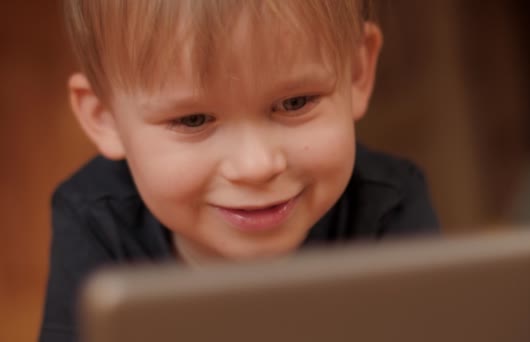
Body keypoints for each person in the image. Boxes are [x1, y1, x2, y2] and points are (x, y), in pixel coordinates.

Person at [40, 1, 439, 341]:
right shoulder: (95, 221)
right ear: (104, 118)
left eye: (296, 102)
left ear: (356, 73)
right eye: (194, 119)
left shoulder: (389, 205)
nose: (256, 167)